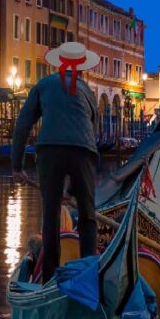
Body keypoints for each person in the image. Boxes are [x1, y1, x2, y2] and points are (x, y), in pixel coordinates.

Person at [11, 41, 101, 282]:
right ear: (82, 69)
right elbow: (93, 131)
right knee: (87, 216)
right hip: (84, 150)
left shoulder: (43, 86)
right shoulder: (87, 92)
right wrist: (73, 189)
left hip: (49, 150)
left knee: (50, 215)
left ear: (58, 64)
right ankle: (87, 277)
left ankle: (50, 279)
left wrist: (16, 167)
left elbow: (22, 126)